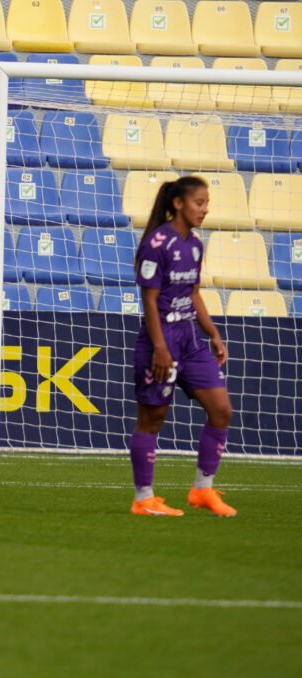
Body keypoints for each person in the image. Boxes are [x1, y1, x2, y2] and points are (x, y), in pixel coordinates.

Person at [128, 175, 235, 517]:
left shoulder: (195, 244)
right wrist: (160, 348)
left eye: (206, 203)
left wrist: (213, 333)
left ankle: (202, 490)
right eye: (199, 203)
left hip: (191, 339)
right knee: (153, 419)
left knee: (221, 410)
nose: (205, 209)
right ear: (178, 203)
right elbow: (150, 299)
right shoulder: (156, 243)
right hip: (161, 340)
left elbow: (193, 293)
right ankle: (143, 498)